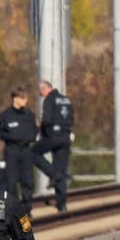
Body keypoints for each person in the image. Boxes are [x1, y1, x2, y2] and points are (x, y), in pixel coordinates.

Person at [34, 79, 75, 212]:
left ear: (45, 88)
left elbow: (46, 120)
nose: (41, 94)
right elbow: (71, 118)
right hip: (66, 137)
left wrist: (41, 131)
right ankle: (62, 204)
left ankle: (52, 174)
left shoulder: (49, 100)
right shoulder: (66, 100)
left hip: (53, 136)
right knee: (61, 169)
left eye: (41, 91)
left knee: (32, 152)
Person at [0, 87, 39, 201]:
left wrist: (30, 137)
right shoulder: (6, 115)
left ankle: (27, 209)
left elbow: (35, 129)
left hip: (26, 150)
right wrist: (11, 137)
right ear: (15, 98)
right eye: (23, 98)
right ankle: (14, 209)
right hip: (12, 151)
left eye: (26, 98)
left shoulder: (29, 115)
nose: (25, 101)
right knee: (11, 182)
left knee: (27, 181)